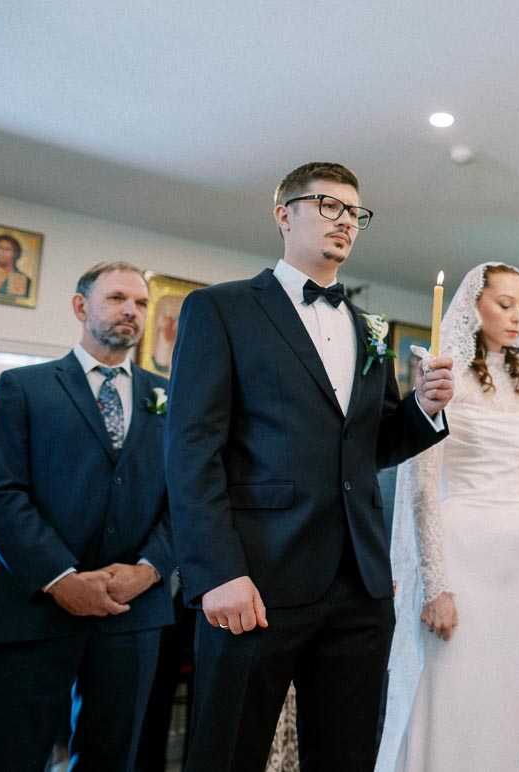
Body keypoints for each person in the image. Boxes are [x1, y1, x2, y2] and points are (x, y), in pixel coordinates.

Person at [166, 161, 453, 771]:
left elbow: (371, 447)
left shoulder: (369, 328)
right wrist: (217, 571)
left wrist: (424, 410)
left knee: (347, 756)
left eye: (354, 212)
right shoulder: (220, 310)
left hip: (359, 585)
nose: (345, 220)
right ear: (284, 214)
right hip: (256, 578)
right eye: (329, 205)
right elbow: (192, 450)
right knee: (227, 752)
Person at [0, 261, 173, 771]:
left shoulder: (171, 398)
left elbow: (186, 498)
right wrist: (60, 578)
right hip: (32, 605)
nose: (132, 310)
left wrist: (149, 569)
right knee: (10, 755)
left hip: (133, 612)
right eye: (117, 299)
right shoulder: (25, 386)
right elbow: (0, 493)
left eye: (141, 302)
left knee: (113, 757)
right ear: (82, 307)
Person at [378, 263, 519, 771]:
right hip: (462, 553)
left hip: (516, 562)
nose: (518, 316)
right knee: (456, 687)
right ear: (474, 306)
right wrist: (435, 585)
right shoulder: (443, 373)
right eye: (505, 304)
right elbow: (421, 487)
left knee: (509, 687)